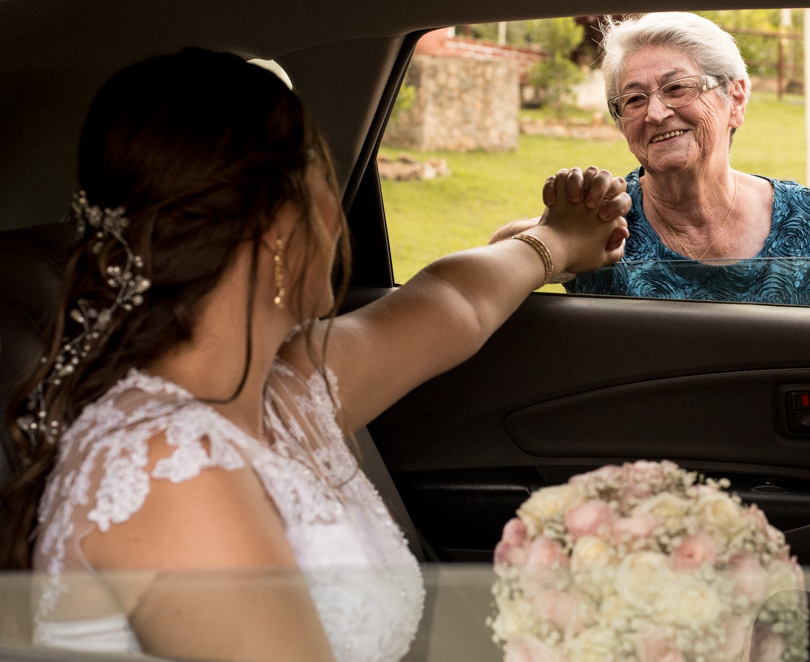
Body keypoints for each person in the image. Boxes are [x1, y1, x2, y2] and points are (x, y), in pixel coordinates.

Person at [0, 48, 630, 662]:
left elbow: (452, 303)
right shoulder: (170, 470)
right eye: (327, 184)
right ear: (280, 225)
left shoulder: (281, 386)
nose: (338, 218)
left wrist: (556, 239)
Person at [493, 12, 810, 310]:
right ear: (622, 124)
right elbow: (494, 269)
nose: (655, 113)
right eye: (634, 99)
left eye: (677, 88)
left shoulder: (804, 216)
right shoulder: (604, 223)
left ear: (736, 98)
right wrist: (551, 231)